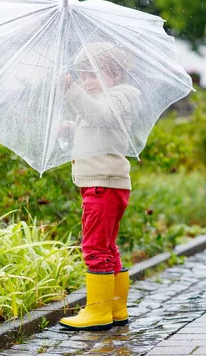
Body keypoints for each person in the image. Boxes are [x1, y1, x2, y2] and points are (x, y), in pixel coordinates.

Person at [58, 42, 142, 331]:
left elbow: (101, 117)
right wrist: (71, 127)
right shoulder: (105, 98)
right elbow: (94, 124)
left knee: (93, 246)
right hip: (99, 183)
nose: (87, 81)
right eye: (83, 76)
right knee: (106, 246)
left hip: (103, 184)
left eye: (94, 75)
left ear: (116, 75)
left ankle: (98, 311)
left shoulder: (120, 97)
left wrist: (71, 89)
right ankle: (116, 307)